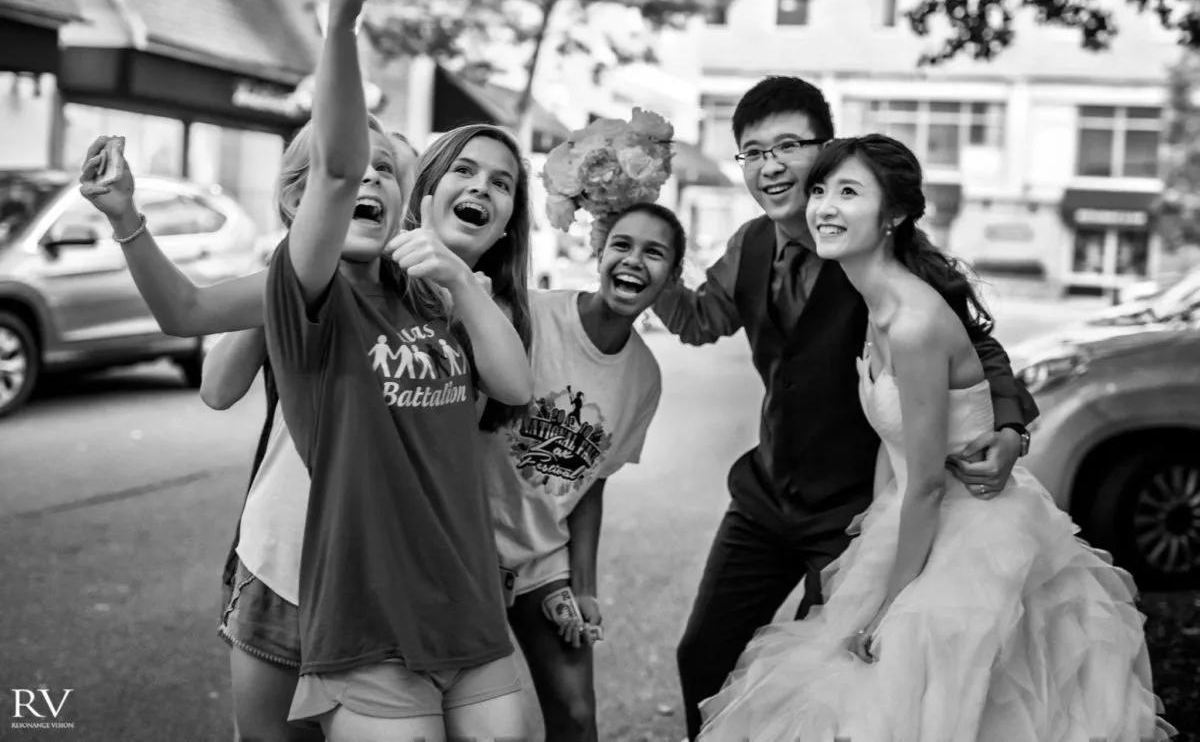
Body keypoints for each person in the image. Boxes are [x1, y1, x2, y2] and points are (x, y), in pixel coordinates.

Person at [81, 0, 534, 740]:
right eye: (361, 170)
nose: (371, 180)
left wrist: (461, 282)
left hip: (434, 583)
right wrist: (129, 221)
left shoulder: (433, 291)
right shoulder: (304, 283)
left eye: (390, 172)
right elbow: (194, 321)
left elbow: (515, 384)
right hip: (300, 564)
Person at [696, 133, 1175, 742]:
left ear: (893, 214)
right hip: (903, 516)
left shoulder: (914, 322)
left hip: (966, 536)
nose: (824, 206)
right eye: (820, 190)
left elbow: (926, 483)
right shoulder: (873, 298)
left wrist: (888, 605)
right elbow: (893, 444)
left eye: (848, 192)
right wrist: (871, 530)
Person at [651, 76, 1040, 740]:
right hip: (767, 494)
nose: (771, 166)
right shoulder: (749, 245)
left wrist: (1006, 427)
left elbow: (973, 344)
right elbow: (697, 319)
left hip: (854, 511)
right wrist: (635, 246)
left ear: (826, 151)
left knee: (831, 689)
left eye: (789, 146)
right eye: (753, 152)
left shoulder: (870, 247)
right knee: (703, 655)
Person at [490, 201, 685, 742]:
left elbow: (592, 482)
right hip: (467, 544)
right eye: (622, 244)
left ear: (672, 276)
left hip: (541, 559)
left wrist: (586, 587)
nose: (634, 261)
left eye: (654, 253)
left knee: (576, 717)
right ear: (599, 253)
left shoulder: (644, 377)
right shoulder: (530, 316)